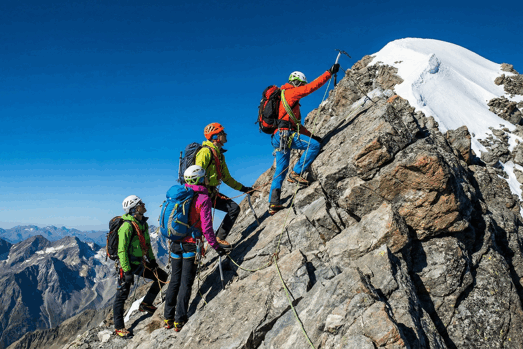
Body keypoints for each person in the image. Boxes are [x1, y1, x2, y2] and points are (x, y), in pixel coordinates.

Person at [268, 64, 340, 215]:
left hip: (278, 136)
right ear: (296, 82)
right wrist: (329, 73)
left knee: (280, 170)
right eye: (301, 84)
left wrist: (310, 135)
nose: (302, 86)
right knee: (313, 146)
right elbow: (311, 87)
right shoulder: (290, 93)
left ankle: (273, 203)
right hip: (285, 134)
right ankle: (296, 172)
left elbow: (296, 125)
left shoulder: (285, 99)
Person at [164, 165, 227, 331]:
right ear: (200, 179)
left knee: (174, 281)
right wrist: (216, 246)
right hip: (191, 244)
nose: (207, 179)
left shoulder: (180, 194)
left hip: (176, 243)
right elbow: (207, 228)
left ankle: (168, 318)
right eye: (205, 176)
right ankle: (180, 319)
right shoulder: (202, 198)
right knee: (186, 282)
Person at [113, 195, 168, 338]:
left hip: (139, 262)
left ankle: (146, 304)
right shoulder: (127, 226)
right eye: (140, 203)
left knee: (162, 276)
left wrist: (152, 261)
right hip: (128, 264)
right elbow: (122, 251)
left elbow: (147, 244)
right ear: (134, 209)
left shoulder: (142, 223)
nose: (144, 204)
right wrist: (126, 271)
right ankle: (119, 327)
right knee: (122, 294)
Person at [194, 122, 254, 246]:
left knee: (233, 208)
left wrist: (243, 188)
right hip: (201, 195)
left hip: (210, 193)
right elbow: (196, 173)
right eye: (222, 133)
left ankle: (219, 238)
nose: (225, 134)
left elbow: (226, 178)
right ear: (215, 137)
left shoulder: (220, 156)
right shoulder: (205, 152)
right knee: (202, 227)